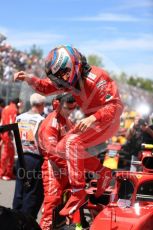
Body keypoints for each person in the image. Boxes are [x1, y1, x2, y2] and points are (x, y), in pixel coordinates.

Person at [14, 45, 124, 216]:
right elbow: (46, 87)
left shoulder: (97, 77)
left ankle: (78, 191)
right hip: (95, 121)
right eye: (58, 77)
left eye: (62, 75)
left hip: (107, 120)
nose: (60, 81)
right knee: (60, 150)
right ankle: (104, 173)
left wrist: (92, 118)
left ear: (73, 66)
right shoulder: (70, 81)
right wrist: (29, 78)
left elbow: (116, 106)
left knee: (72, 142)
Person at [38, 93, 76, 230]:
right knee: (52, 204)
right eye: (67, 108)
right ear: (57, 105)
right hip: (53, 167)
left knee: (65, 202)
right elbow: (52, 151)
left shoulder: (66, 120)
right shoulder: (51, 123)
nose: (69, 112)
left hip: (66, 168)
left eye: (72, 109)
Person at [12, 93, 45, 220]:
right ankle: (26, 220)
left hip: (20, 157)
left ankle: (15, 218)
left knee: (19, 189)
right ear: (41, 105)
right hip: (34, 158)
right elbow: (43, 142)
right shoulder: (41, 120)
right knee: (32, 192)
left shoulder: (19, 117)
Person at [0, 98, 22, 180]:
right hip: (9, 134)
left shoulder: (6, 108)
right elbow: (13, 122)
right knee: (8, 155)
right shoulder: (14, 110)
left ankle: (5, 172)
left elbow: (2, 121)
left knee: (7, 154)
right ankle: (5, 173)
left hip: (4, 133)